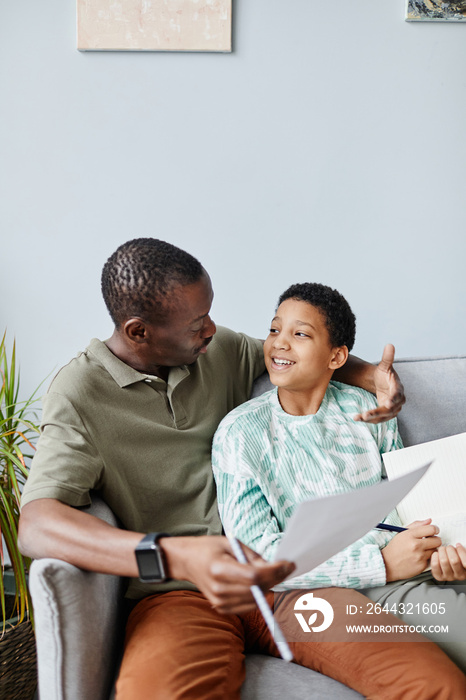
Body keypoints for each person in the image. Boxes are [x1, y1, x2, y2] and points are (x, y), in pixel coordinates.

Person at [18, 238, 462, 700]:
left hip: (290, 587)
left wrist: (372, 377)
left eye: (210, 313)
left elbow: (301, 358)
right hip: (183, 595)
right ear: (138, 332)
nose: (212, 329)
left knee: (435, 685)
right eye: (196, 324)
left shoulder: (217, 347)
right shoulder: (79, 393)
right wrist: (173, 555)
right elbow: (37, 524)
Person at [212, 282, 466, 679]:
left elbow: (407, 507)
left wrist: (445, 555)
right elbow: (258, 558)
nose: (279, 343)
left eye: (299, 334)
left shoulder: (366, 410)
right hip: (357, 590)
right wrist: (380, 564)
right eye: (275, 329)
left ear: (337, 356)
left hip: (419, 567)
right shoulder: (240, 434)